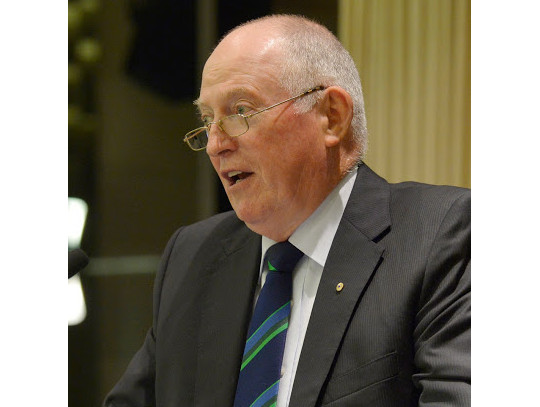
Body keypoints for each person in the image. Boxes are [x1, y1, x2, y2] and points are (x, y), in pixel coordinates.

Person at [104, 14, 470, 407]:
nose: (214, 145)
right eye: (207, 121)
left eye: (240, 111)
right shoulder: (194, 256)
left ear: (332, 116)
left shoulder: (440, 235)